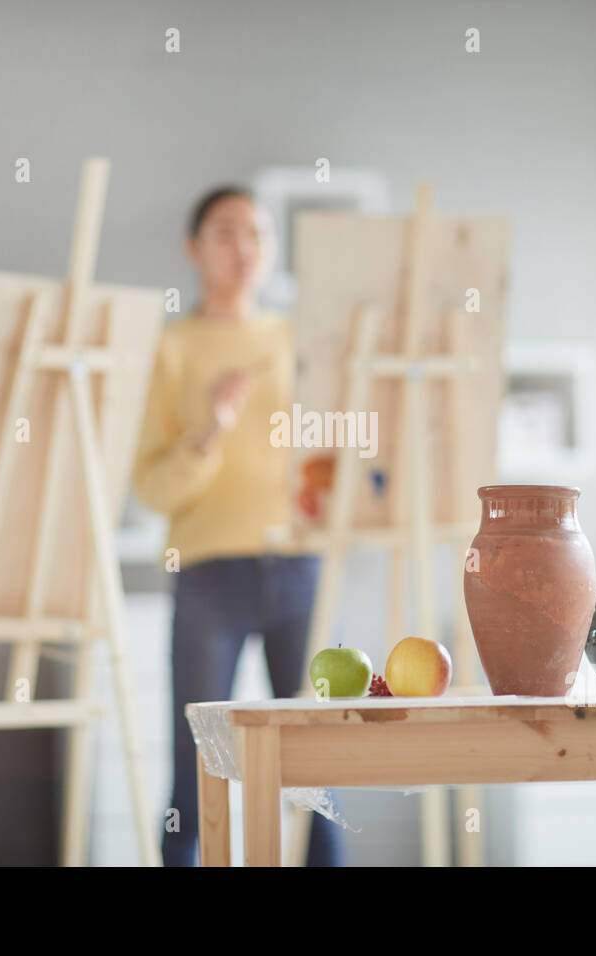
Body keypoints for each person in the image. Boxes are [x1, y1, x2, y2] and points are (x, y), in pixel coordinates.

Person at [133, 186, 345, 866]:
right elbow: (151, 485)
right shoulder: (170, 348)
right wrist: (210, 432)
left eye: (256, 234)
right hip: (207, 570)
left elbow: (333, 453)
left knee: (317, 768)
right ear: (194, 249)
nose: (242, 249)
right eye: (224, 233)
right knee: (198, 761)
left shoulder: (299, 339)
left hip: (303, 565)